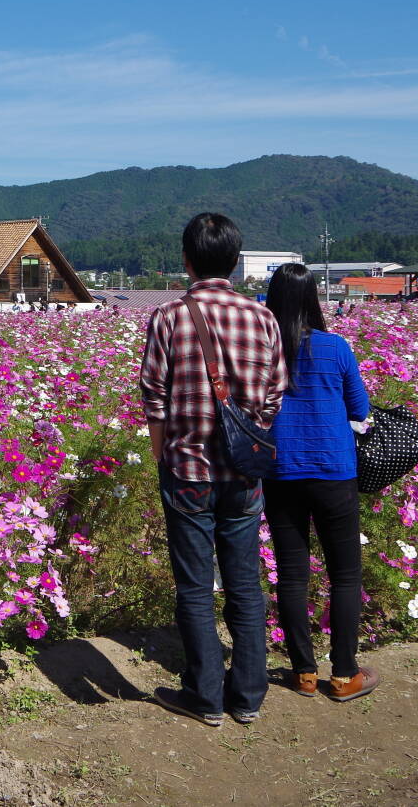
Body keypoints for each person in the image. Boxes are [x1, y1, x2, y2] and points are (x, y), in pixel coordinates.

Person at [140, 213, 285, 727]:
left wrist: (164, 456)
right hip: (244, 475)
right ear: (234, 260)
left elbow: (154, 400)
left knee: (196, 586)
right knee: (246, 584)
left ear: (186, 259)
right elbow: (273, 398)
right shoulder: (263, 318)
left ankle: (204, 696)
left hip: (188, 470)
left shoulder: (169, 318)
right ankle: (247, 696)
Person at [262, 264, 377, 703]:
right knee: (344, 575)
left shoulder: (264, 350)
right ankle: (345, 674)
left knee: (292, 575)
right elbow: (360, 410)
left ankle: (304, 673)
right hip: (334, 471)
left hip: (281, 471)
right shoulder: (335, 348)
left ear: (272, 300)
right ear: (313, 298)